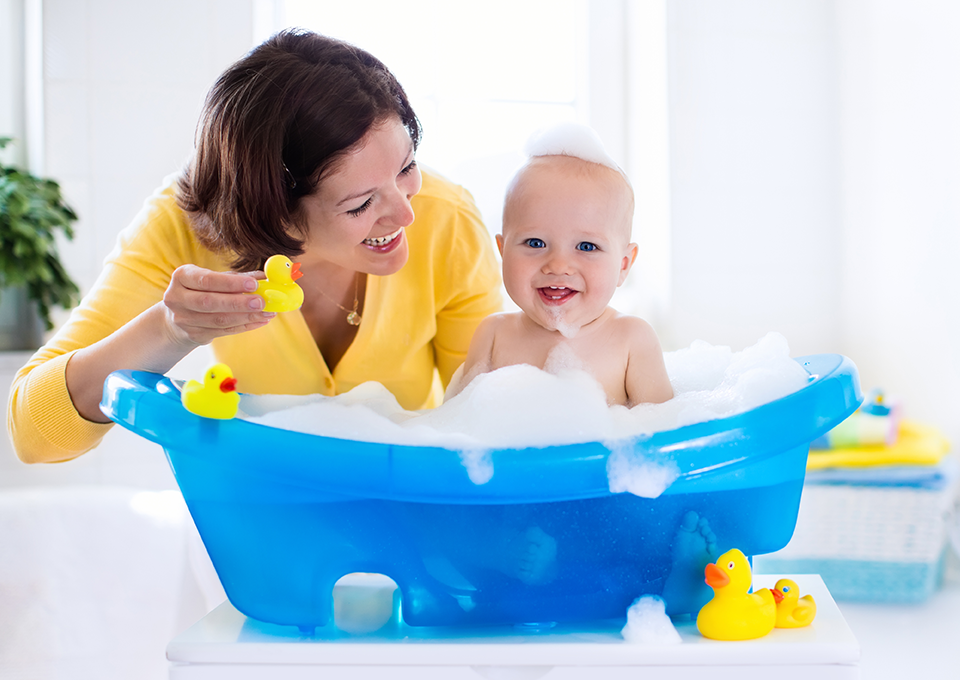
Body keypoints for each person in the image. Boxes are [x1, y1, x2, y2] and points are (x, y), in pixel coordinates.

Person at [8, 29, 502, 464]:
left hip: (408, 506)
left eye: (406, 167)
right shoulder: (184, 226)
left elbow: (493, 424)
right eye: (360, 205)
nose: (406, 213)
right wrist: (170, 330)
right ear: (275, 210)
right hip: (256, 512)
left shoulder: (447, 221)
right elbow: (34, 433)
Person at [447, 123, 673, 407]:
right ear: (503, 251)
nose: (558, 265)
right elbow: (459, 428)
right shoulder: (493, 335)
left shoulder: (631, 341)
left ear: (624, 265)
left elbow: (663, 434)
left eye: (586, 246)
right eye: (535, 243)